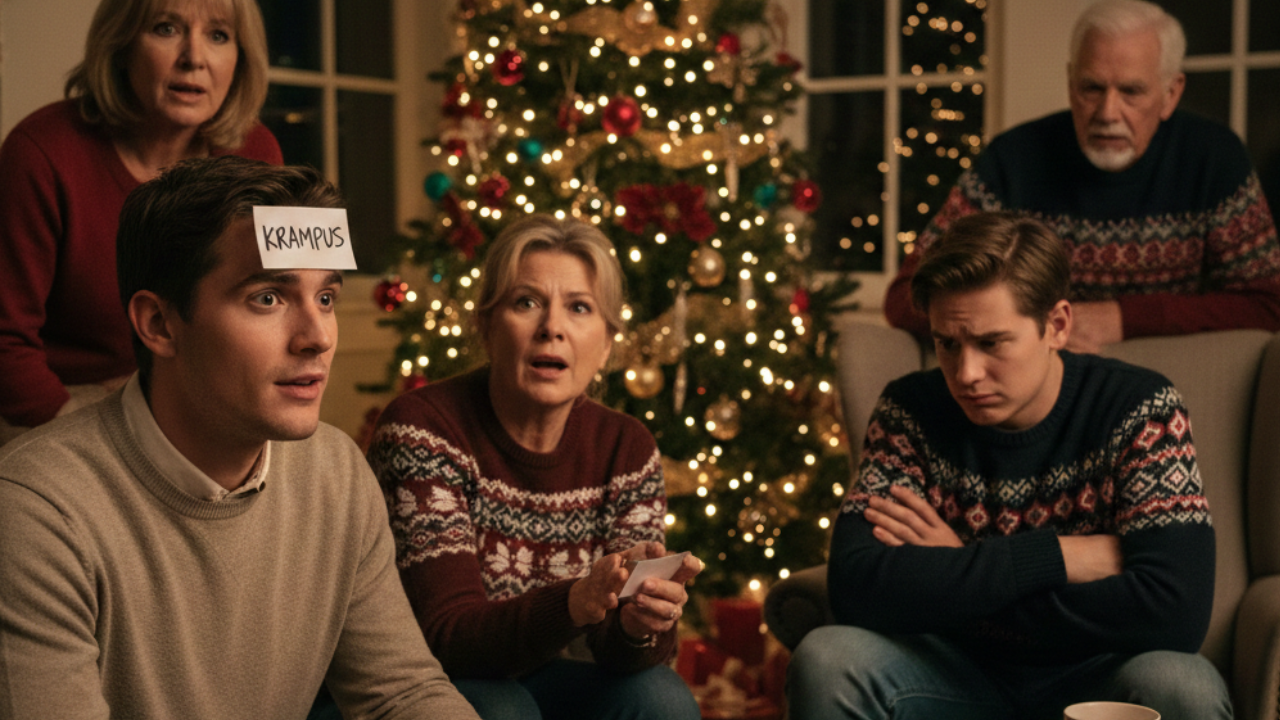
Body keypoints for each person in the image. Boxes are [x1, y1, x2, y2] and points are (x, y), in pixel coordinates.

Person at [0, 157, 479, 720]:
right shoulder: (35, 512)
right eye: (268, 298)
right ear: (158, 324)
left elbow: (401, 694)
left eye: (326, 297)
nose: (318, 337)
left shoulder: (335, 469)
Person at [788, 212, 1230, 720]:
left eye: (991, 343)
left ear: (1057, 326)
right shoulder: (910, 409)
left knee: (1181, 684)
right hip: (949, 673)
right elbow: (857, 586)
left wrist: (958, 568)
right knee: (828, 659)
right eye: (946, 344)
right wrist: (1055, 558)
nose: (966, 373)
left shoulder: (1141, 408)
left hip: (1098, 678)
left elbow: (1175, 613)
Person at [368, 214, 703, 720]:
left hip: (546, 674)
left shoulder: (626, 447)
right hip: (425, 681)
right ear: (486, 324)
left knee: (661, 698)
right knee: (503, 708)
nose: (552, 328)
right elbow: (446, 636)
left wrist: (639, 623)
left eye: (579, 308)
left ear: (608, 343)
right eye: (526, 303)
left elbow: (624, 656)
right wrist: (576, 600)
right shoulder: (423, 429)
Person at [884, 0, 1280, 354]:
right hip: (1038, 385)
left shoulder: (1214, 158)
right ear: (1071, 85)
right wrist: (1031, 321)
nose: (1108, 112)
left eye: (1131, 92)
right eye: (1092, 88)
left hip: (1180, 384)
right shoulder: (1012, 160)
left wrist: (1121, 319)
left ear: (1171, 94)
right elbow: (905, 296)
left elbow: (1269, 303)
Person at [0, 0, 283, 438]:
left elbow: (271, 309)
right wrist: (96, 435)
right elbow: (5, 341)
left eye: (219, 35)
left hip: (199, 396)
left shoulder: (255, 155)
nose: (195, 58)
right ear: (121, 44)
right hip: (61, 407)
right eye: (166, 29)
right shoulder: (40, 154)